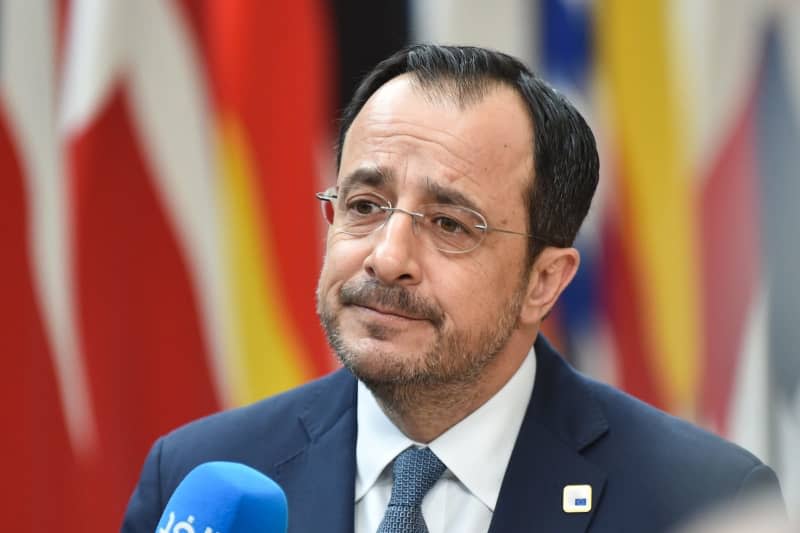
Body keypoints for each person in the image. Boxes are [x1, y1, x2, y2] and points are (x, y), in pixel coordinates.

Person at [122, 44, 782, 533]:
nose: (386, 259)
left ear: (543, 282)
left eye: (448, 224)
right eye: (364, 205)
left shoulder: (704, 504)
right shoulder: (198, 476)